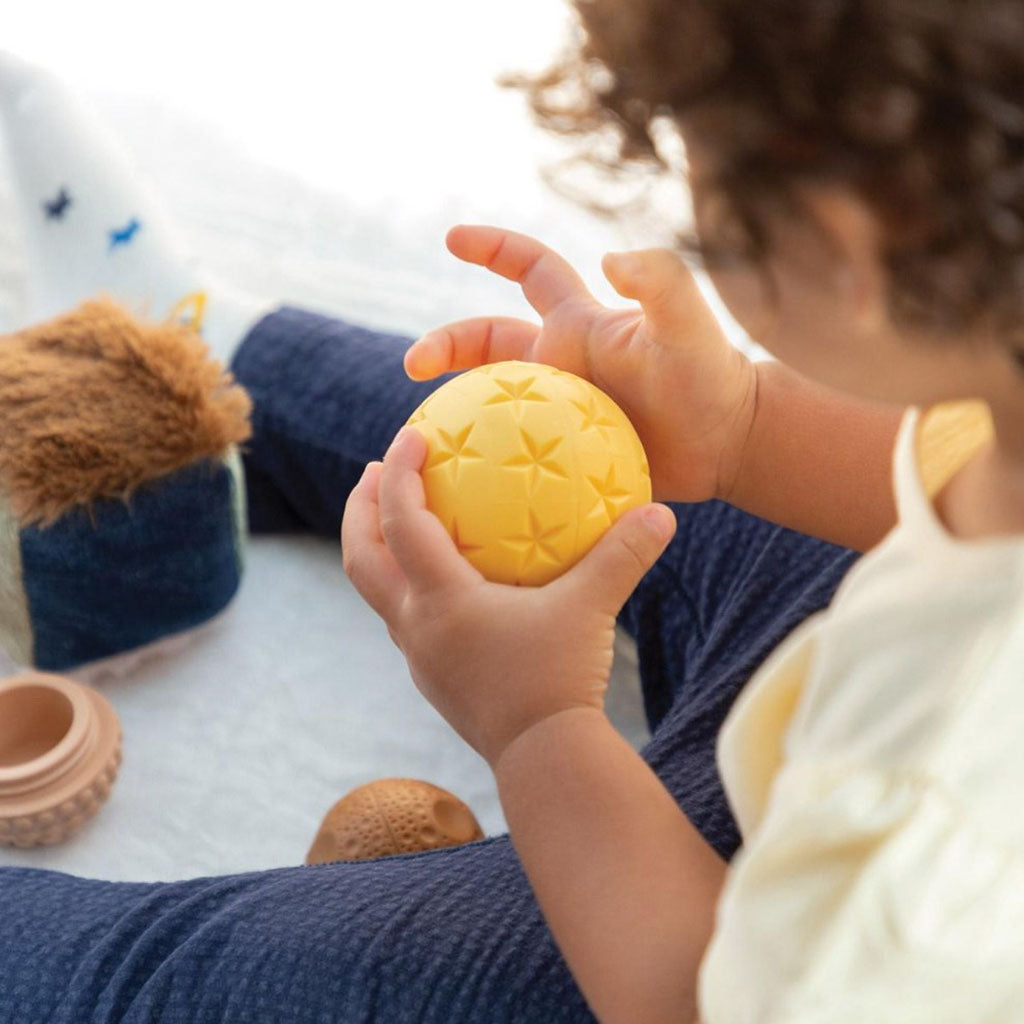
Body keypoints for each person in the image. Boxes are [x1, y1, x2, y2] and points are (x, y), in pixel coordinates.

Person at [1, 1, 1021, 1021]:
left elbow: (696, 1002)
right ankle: (224, 350)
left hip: (746, 951)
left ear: (842, 251)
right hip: (853, 700)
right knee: (558, 438)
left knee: (197, 978)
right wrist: (741, 429)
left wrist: (536, 722)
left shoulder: (946, 825)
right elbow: (950, 452)